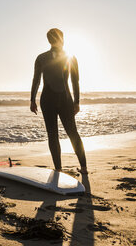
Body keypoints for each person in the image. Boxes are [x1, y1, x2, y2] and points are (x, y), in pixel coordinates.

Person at [30, 28, 88, 174]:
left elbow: (36, 81)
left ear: (49, 40)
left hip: (47, 99)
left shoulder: (41, 57)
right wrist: (76, 101)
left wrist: (32, 100)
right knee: (72, 133)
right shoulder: (71, 57)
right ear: (62, 38)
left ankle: (58, 169)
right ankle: (84, 168)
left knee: (53, 135)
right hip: (65, 99)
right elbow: (76, 81)